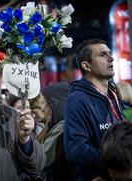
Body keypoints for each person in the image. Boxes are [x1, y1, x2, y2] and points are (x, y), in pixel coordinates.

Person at [64, 39, 125, 181]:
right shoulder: (77, 100)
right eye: (103, 55)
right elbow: (75, 150)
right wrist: (115, 163)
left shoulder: (112, 92)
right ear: (86, 66)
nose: (111, 58)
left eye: (110, 53)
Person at [30, 81, 74, 181]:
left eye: (47, 104)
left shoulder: (61, 128)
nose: (44, 107)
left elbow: (38, 161)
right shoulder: (63, 125)